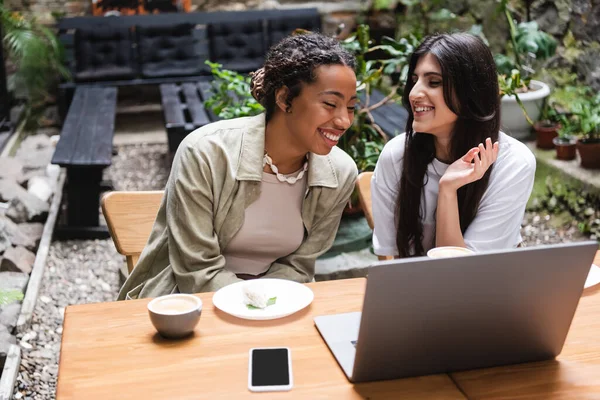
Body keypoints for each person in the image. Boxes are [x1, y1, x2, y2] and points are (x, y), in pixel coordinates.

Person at [118, 33, 358, 300]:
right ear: (284, 98)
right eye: (330, 104)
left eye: (351, 107)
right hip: (186, 304)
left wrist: (269, 308)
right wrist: (255, 308)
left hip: (282, 303)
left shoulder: (339, 172)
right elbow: (197, 270)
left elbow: (299, 267)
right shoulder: (206, 153)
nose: (344, 121)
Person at [371, 33, 536, 258]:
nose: (414, 94)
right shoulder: (396, 156)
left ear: (470, 92)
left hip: (487, 287)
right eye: (413, 81)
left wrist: (448, 190)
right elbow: (389, 258)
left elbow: (462, 275)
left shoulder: (513, 163)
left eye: (434, 82)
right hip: (413, 288)